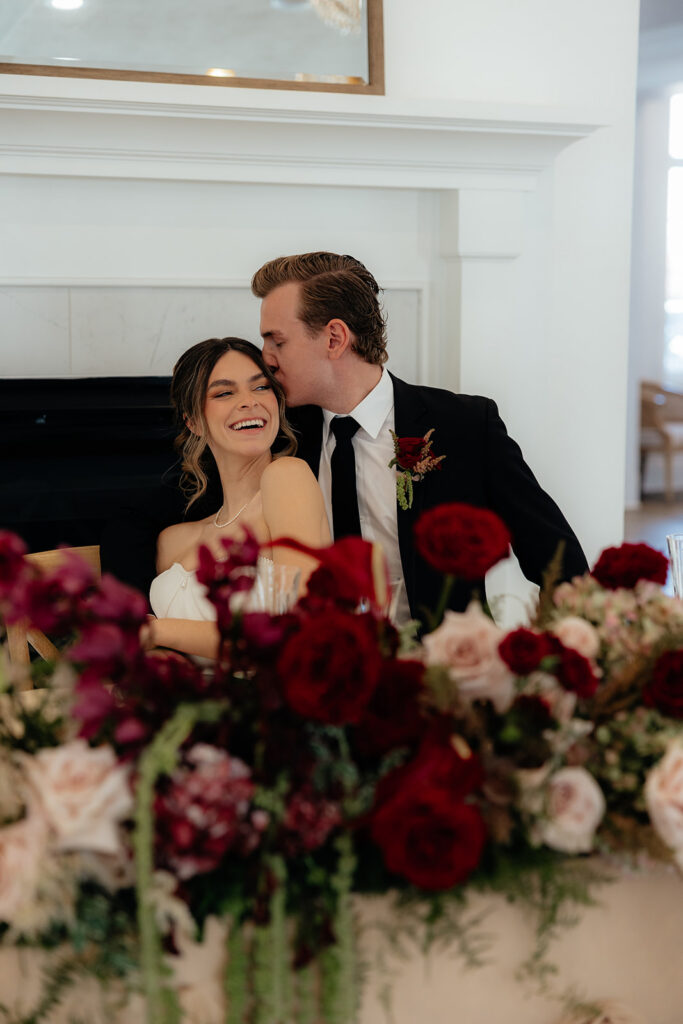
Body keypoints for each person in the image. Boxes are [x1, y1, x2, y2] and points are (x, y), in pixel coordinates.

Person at [251, 251, 588, 622]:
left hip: (440, 669)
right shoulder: (279, 435)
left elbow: (561, 564)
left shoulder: (464, 426)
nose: (265, 358)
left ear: (334, 338)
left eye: (277, 341)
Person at [144, 337, 330, 659]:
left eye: (261, 388)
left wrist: (157, 631)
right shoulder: (173, 542)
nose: (249, 402)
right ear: (193, 421)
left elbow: (298, 632)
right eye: (224, 392)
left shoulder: (288, 477)